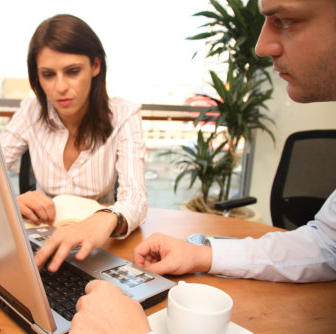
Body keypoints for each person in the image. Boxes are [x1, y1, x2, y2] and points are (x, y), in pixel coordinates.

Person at [71, 0, 336, 331]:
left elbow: (134, 197)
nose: (262, 45)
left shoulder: (122, 113)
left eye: (288, 20)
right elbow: (326, 246)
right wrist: (202, 255)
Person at [0, 14, 147, 272]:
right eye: (48, 75)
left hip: (101, 247)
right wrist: (10, 200)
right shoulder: (31, 112)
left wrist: (106, 217)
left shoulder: (124, 115)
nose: (60, 87)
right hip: (40, 245)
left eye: (73, 71)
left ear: (96, 66)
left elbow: (136, 198)